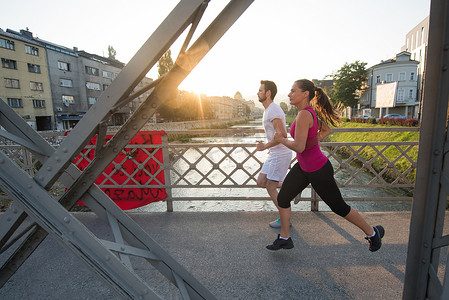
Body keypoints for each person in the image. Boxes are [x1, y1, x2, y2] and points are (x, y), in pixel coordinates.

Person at [266, 79, 384, 251]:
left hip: (318, 170)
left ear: (305, 94)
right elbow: (325, 131)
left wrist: (281, 140)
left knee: (339, 207)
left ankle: (372, 233)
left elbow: (299, 146)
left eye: (293, 91)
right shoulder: (306, 113)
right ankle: (285, 238)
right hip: (304, 167)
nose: (289, 94)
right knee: (283, 199)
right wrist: (311, 142)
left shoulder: (304, 114)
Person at [256, 80, 293, 228]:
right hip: (274, 153)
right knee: (261, 182)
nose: (258, 93)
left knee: (270, 186)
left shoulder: (274, 110)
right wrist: (267, 147)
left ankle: (284, 219)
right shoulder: (268, 110)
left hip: (281, 153)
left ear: (268, 93)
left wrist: (265, 146)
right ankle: (292, 189)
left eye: (260, 90)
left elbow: (282, 134)